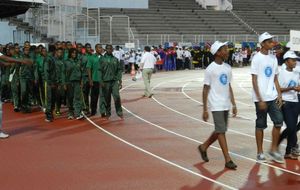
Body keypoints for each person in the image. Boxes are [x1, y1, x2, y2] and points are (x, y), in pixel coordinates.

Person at [198, 41, 238, 170]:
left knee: (220, 130)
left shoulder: (227, 67)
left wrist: (234, 103)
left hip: (226, 103)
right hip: (216, 104)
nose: (228, 51)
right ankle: (228, 159)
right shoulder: (210, 69)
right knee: (221, 131)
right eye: (225, 49)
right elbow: (205, 89)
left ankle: (203, 147)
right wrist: (205, 109)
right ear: (218, 53)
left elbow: (229, 86)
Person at [251, 32, 284, 164]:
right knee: (260, 125)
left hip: (273, 97)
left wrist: (280, 94)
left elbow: (275, 78)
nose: (272, 43)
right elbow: (254, 80)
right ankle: (259, 153)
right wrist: (260, 99)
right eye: (269, 41)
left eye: (272, 41)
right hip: (261, 99)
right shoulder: (257, 58)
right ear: (263, 43)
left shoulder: (273, 58)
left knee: (279, 122)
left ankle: (273, 149)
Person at [277, 51, 300, 159]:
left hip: (295, 102)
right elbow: (279, 89)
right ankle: (276, 144)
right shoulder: (281, 73)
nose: (295, 62)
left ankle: (288, 151)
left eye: (296, 60)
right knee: (291, 127)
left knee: (293, 127)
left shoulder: (296, 73)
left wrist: (298, 88)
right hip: (285, 102)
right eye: (293, 60)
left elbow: (298, 85)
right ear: (286, 61)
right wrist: (291, 88)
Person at [99, 45, 123, 119]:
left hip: (114, 81)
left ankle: (119, 112)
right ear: (105, 49)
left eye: (110, 49)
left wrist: (119, 79)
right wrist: (101, 80)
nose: (109, 50)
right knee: (107, 98)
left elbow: (119, 70)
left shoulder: (115, 59)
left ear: (112, 50)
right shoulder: (102, 59)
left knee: (117, 97)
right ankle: (108, 113)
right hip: (105, 81)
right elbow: (99, 70)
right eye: (108, 49)